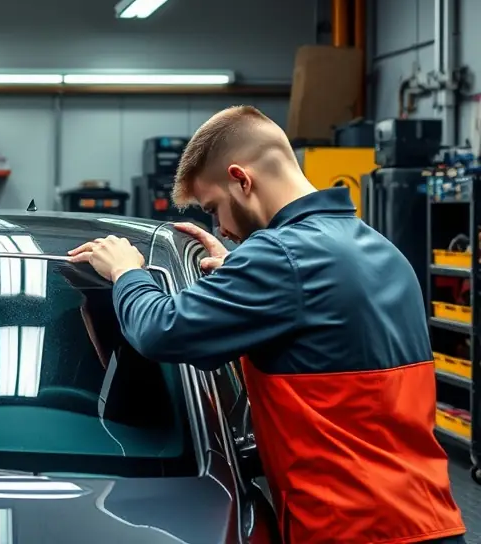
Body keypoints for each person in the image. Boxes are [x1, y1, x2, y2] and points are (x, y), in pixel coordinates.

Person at [68, 105, 466, 544]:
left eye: (213, 207)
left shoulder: (282, 259)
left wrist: (127, 272)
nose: (218, 225)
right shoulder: (379, 250)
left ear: (242, 179)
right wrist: (241, 271)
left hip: (354, 529)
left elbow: (159, 330)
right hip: (427, 518)